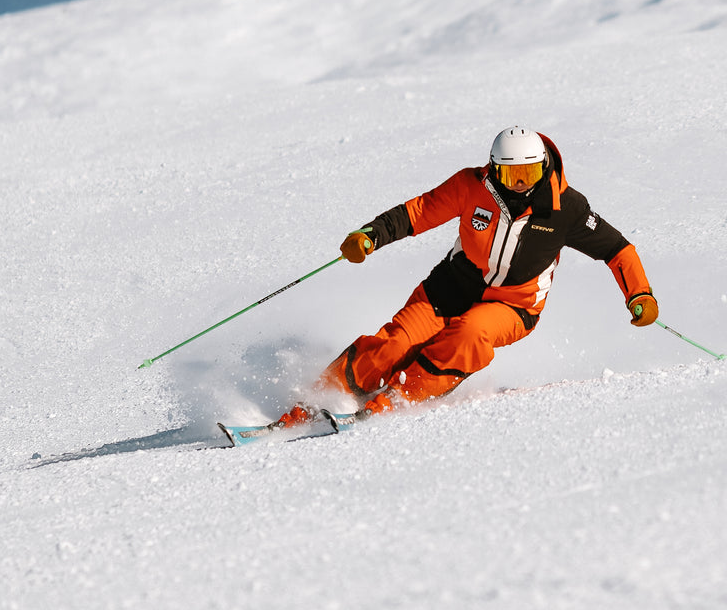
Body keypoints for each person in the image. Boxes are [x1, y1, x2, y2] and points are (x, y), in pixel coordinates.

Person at [275, 126, 658, 427]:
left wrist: (639, 294)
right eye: (512, 174)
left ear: (543, 167)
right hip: (450, 286)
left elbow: (617, 249)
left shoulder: (565, 209)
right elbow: (419, 212)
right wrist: (370, 236)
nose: (521, 183)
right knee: (393, 345)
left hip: (513, 305)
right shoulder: (472, 186)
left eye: (529, 172)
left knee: (470, 334)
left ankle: (397, 398)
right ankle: (315, 402)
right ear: (495, 167)